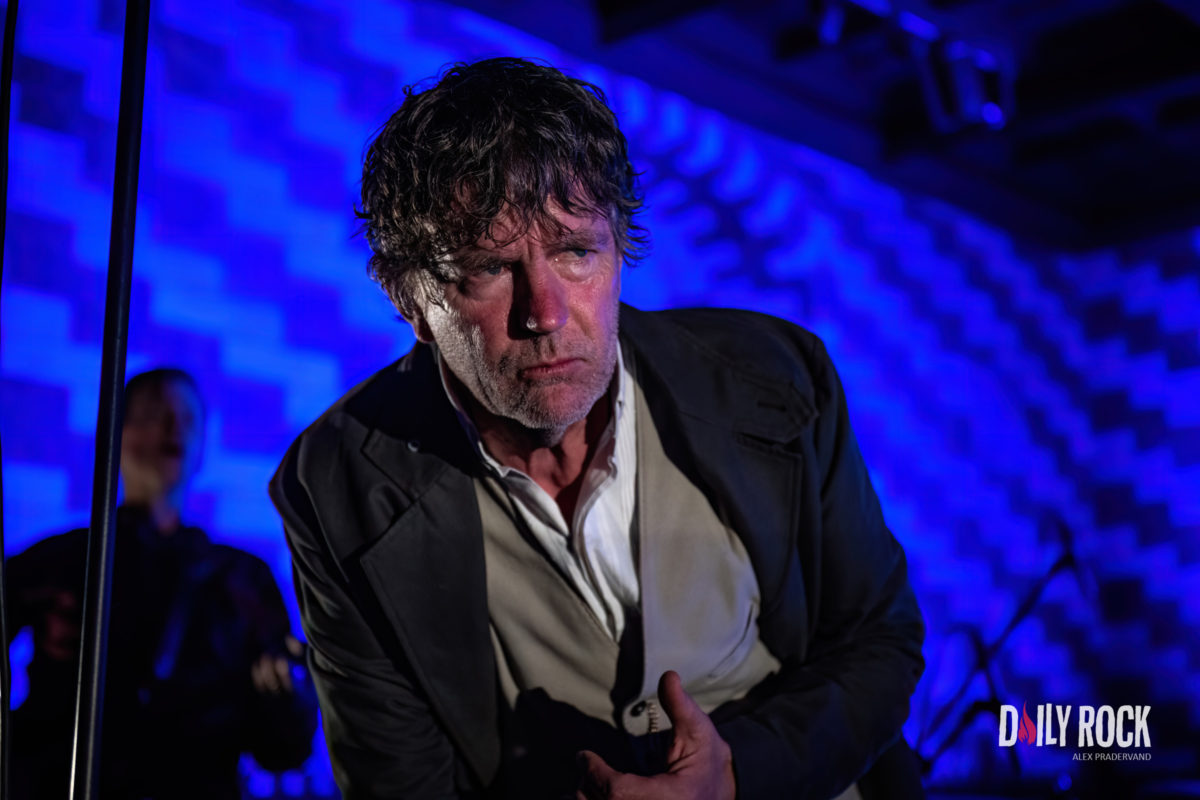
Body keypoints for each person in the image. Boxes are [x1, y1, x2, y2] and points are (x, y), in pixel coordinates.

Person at [270, 57, 925, 800]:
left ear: (618, 247)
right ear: (408, 299)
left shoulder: (777, 377)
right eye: (489, 268)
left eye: (576, 250)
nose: (545, 313)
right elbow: (401, 786)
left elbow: (880, 641)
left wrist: (739, 774)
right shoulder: (334, 484)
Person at [7, 368, 318, 799]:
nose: (173, 429)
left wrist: (285, 700)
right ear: (117, 431)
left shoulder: (242, 580)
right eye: (155, 414)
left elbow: (284, 750)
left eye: (189, 420)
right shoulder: (60, 561)